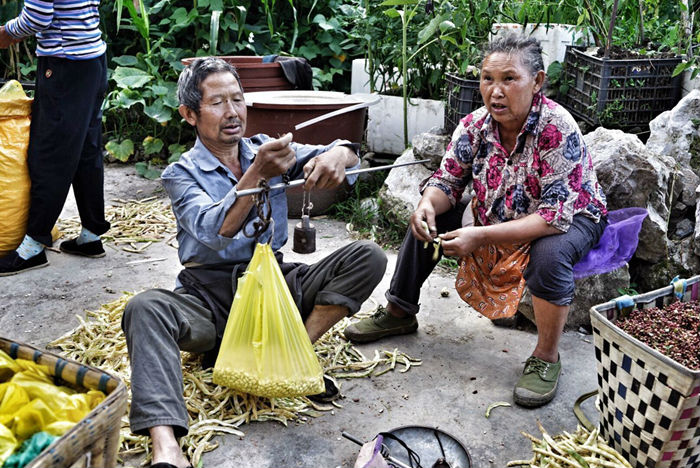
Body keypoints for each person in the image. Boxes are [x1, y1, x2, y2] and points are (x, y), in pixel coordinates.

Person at [121, 57, 387, 468]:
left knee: (367, 256)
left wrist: (340, 154)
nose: (232, 113)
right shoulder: (181, 172)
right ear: (189, 114)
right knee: (145, 308)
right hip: (212, 297)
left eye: (238, 100)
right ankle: (166, 446)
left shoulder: (263, 148)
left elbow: (343, 152)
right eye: (217, 103)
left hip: (274, 283)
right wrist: (257, 173)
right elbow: (215, 230)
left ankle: (292, 353)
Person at [344, 34, 608, 408]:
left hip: (573, 215)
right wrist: (425, 205)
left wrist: (480, 236)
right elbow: (447, 181)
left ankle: (547, 357)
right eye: (487, 79)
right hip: (502, 210)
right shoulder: (474, 126)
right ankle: (398, 311)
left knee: (549, 258)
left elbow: (553, 216)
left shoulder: (556, 128)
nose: (495, 91)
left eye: (508, 79)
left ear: (537, 81)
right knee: (427, 222)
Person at [0, 0, 111, 276]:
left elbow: (38, 17)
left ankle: (33, 246)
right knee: (86, 149)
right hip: (92, 60)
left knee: (49, 154)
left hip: (65, 65)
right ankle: (91, 235)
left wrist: (5, 33)